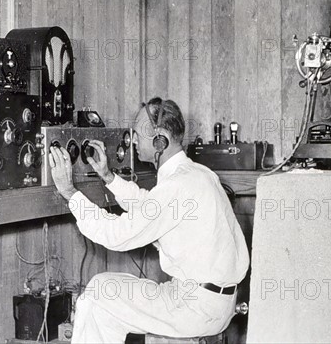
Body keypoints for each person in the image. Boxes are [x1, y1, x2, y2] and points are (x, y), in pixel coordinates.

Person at [48, 97, 249, 343]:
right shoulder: (196, 173)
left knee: (97, 295)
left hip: (196, 307)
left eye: (137, 133)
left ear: (160, 139)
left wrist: (69, 191)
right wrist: (108, 177)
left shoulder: (178, 184)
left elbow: (116, 235)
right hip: (211, 301)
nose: (131, 140)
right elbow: (149, 208)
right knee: (104, 287)